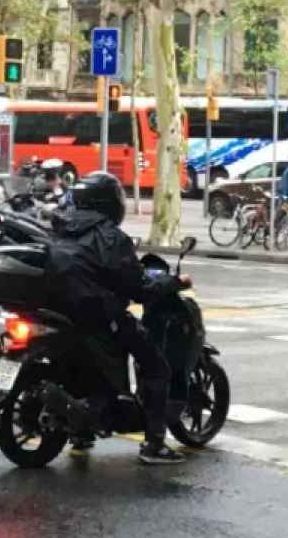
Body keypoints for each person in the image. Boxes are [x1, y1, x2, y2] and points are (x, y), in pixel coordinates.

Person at [47, 172, 190, 465]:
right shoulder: (111, 237)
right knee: (156, 366)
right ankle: (154, 444)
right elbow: (139, 289)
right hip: (100, 316)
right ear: (110, 203)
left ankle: (81, 432)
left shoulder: (60, 226)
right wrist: (176, 282)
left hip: (63, 313)